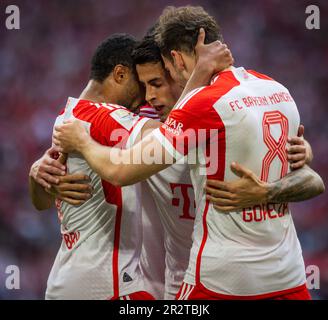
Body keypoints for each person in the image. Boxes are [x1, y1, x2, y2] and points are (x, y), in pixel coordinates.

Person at [53, 6, 325, 300]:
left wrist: (82, 144)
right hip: (284, 274)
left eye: (159, 80)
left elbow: (121, 170)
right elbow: (312, 180)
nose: (149, 96)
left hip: (219, 280)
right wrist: (42, 168)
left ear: (177, 61)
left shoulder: (200, 108)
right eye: (143, 87)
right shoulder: (275, 91)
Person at [29, 31, 234, 299]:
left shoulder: (71, 116)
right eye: (141, 83)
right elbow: (177, 135)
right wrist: (201, 75)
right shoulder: (106, 118)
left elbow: (41, 201)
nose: (147, 96)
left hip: (70, 280)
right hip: (106, 286)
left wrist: (36, 174)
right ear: (120, 74)